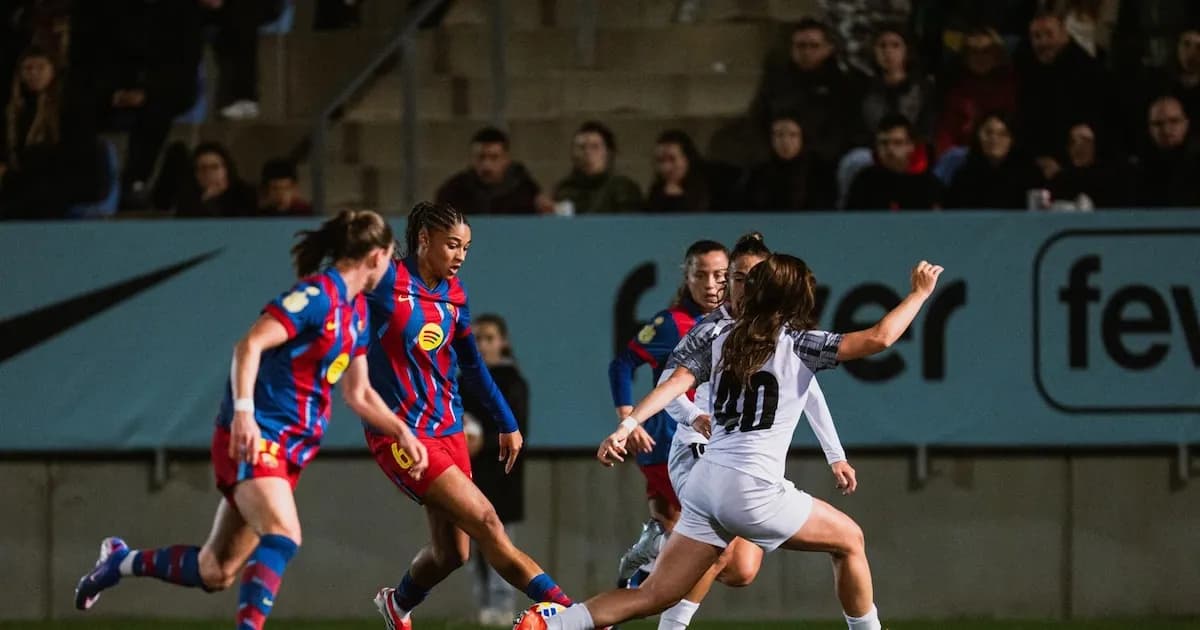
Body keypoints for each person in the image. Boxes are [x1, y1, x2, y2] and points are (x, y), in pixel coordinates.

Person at [516, 257, 946, 630]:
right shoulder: (801, 343)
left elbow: (674, 384)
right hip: (752, 490)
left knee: (655, 594)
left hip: (706, 484)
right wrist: (920, 294)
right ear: (792, 299)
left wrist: (627, 425)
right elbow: (879, 338)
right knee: (850, 539)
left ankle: (556, 622)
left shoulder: (720, 337)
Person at [72, 210, 430, 630]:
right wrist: (243, 414)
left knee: (215, 570)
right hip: (257, 435)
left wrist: (402, 430)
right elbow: (249, 346)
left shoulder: (356, 315)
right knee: (284, 535)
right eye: (389, 258)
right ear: (378, 255)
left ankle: (120, 561)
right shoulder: (317, 295)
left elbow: (359, 393)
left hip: (289, 449)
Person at [365, 201, 573, 630]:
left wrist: (507, 422)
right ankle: (576, 616)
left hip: (449, 429)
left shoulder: (454, 295)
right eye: (453, 245)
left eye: (466, 248)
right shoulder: (384, 281)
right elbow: (335, 293)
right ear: (424, 240)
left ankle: (396, 605)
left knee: (453, 554)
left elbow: (474, 366)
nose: (460, 255)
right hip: (402, 437)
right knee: (487, 520)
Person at [651, 232, 853, 630]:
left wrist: (836, 455)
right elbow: (666, 388)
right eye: (739, 278)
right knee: (715, 552)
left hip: (738, 467)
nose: (746, 287)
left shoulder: (781, 333)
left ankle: (663, 550)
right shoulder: (713, 328)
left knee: (742, 570)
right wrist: (693, 417)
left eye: (755, 278)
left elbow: (808, 391)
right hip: (700, 450)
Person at [607, 240, 728, 588]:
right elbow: (621, 364)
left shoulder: (730, 322)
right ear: (686, 276)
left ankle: (620, 600)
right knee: (710, 546)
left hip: (702, 442)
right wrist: (629, 419)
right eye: (700, 275)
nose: (710, 285)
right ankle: (654, 550)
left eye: (719, 275)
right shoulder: (671, 323)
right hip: (669, 442)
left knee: (672, 532)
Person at [460, 314, 530, 626]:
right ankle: (484, 610)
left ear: (503, 342)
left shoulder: (512, 382)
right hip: (468, 478)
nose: (482, 345)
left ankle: (503, 609)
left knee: (501, 546)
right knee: (473, 550)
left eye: (489, 338)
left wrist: (481, 442)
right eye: (476, 338)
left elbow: (518, 430)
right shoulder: (464, 382)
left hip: (502, 477)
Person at [0, 46, 101, 220]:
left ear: (53, 71)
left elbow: (77, 151)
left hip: (63, 179)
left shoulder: (69, 105)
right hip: (25, 180)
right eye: (28, 68)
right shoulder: (13, 111)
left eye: (40, 68)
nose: (33, 73)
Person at [747, 18, 863, 166]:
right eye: (801, 46)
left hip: (825, 161)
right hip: (779, 158)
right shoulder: (776, 81)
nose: (807, 52)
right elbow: (757, 119)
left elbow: (845, 129)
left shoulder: (843, 85)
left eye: (814, 46)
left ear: (828, 48)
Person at [435, 126, 552, 215]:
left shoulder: (526, 191)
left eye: (494, 158)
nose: (486, 165)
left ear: (506, 159)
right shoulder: (453, 191)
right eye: (480, 157)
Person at [944, 112, 1043, 210]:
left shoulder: (1029, 174)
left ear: (1012, 139)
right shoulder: (963, 176)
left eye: (1002, 134)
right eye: (988, 133)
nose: (994, 139)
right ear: (978, 136)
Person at [844, 115, 941, 211]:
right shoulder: (864, 182)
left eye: (897, 142)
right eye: (883, 143)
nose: (890, 150)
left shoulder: (927, 184)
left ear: (911, 146)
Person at [741, 114, 836, 211]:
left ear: (803, 138)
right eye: (779, 135)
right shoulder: (758, 174)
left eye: (793, 135)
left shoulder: (819, 172)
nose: (785, 141)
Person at [553, 121, 643, 214]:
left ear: (608, 153)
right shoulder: (564, 191)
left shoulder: (623, 189)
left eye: (595, 147)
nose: (587, 153)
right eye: (581, 147)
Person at [1133, 95, 1200, 207]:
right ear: (1149, 128)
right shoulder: (1137, 168)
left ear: (1186, 124)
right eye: (1157, 124)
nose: (1166, 130)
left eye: (1174, 121)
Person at [175, 141, 258, 217]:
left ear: (226, 169)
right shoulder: (187, 198)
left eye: (214, 167)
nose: (208, 173)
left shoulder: (246, 194)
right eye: (202, 168)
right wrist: (205, 201)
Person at [645, 130, 711, 213]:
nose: (666, 167)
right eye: (660, 160)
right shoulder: (656, 192)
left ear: (687, 159)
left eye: (672, 159)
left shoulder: (707, 189)